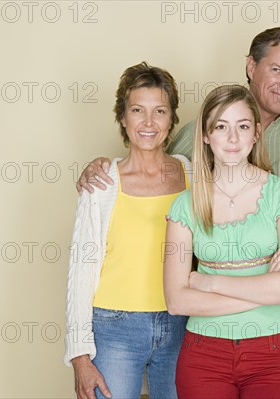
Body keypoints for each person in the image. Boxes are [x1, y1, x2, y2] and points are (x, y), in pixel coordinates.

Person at [163, 84, 280, 398]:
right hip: (204, 354)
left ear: (256, 133)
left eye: (242, 126)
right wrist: (268, 288)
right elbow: (177, 301)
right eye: (221, 126)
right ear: (205, 135)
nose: (232, 138)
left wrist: (210, 281)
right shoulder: (184, 205)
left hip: (272, 351)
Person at [64, 62, 190, 399]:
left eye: (159, 111)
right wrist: (79, 356)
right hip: (114, 329)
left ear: (171, 119)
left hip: (182, 325)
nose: (149, 123)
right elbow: (81, 271)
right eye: (138, 110)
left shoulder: (193, 175)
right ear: (123, 117)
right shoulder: (101, 184)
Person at [76, 27, 280, 191]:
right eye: (276, 70)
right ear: (251, 67)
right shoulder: (199, 130)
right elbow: (152, 173)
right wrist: (105, 170)